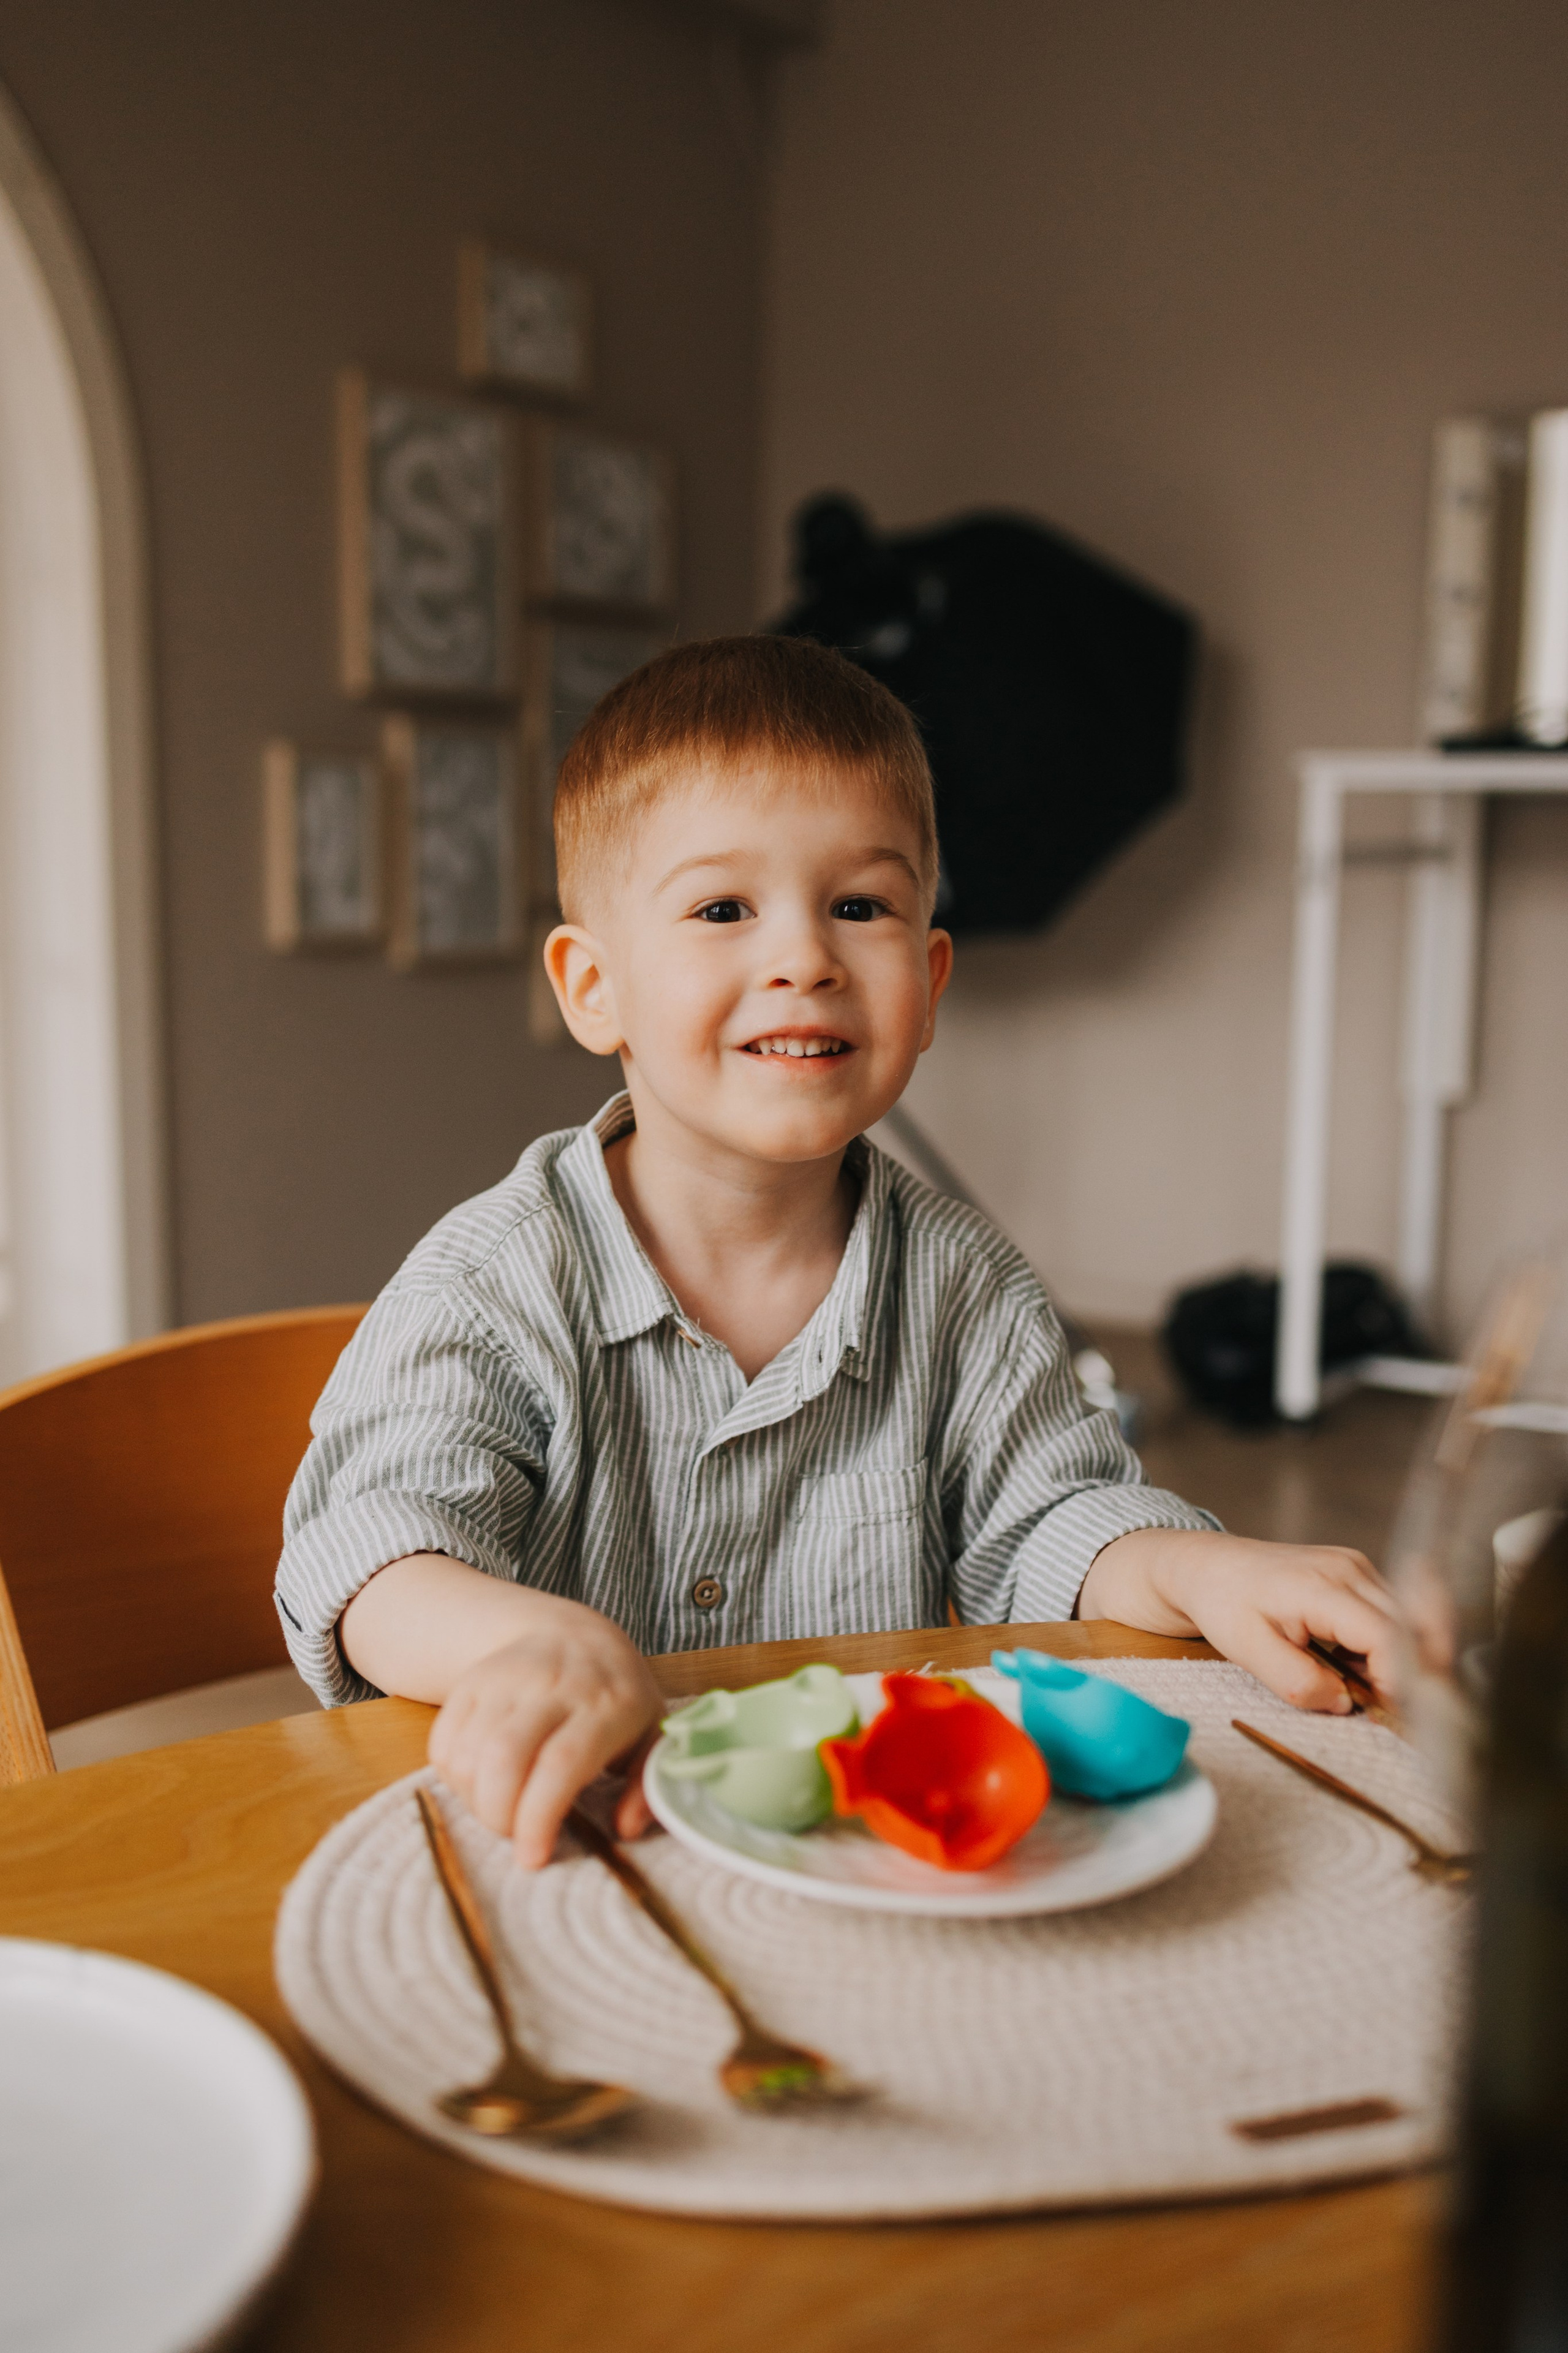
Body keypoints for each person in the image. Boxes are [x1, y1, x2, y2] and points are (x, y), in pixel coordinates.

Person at [274, 635, 1398, 1867]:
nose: (803, 958)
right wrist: (517, 1642)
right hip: (571, 1848)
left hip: (859, 1858)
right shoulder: (497, 1281)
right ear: (591, 987)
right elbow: (373, 1550)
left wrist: (1193, 1566)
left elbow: (1046, 1523)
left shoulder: (962, 1284)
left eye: (856, 906)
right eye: (721, 910)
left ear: (924, 982)